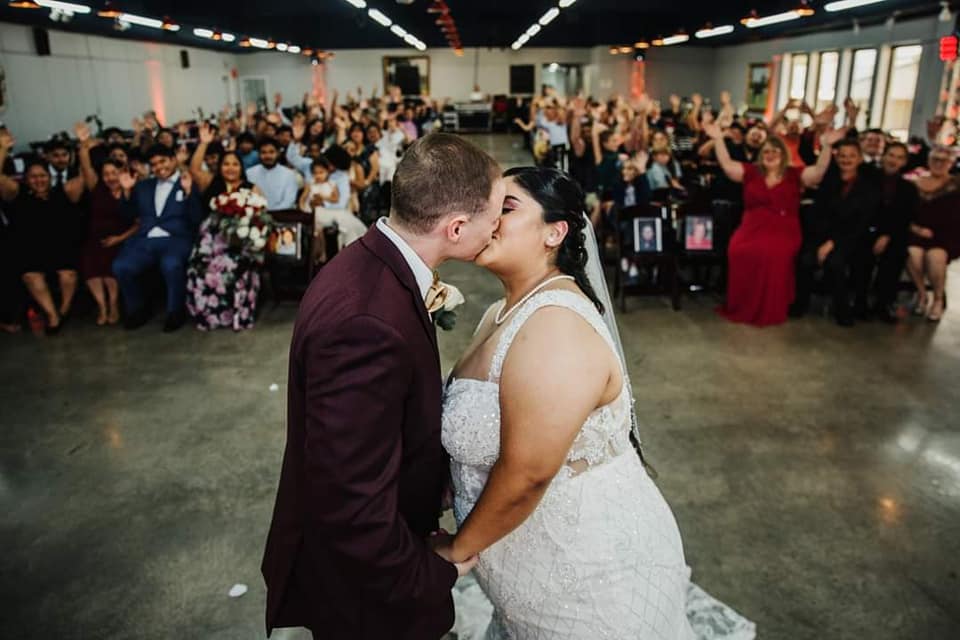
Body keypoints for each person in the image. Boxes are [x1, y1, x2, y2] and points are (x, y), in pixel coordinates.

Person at [441, 166, 755, 639]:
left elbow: (528, 474)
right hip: (526, 571)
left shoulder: (556, 326)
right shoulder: (497, 313)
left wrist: (455, 553)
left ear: (555, 232)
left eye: (506, 208)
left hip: (589, 577)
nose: (489, 220)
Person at [261, 133, 504, 640]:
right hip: (369, 596)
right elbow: (349, 501)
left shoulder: (370, 264)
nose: (499, 226)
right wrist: (429, 574)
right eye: (495, 214)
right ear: (456, 228)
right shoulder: (366, 322)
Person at [706, 121, 844, 326]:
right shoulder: (751, 172)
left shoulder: (795, 174)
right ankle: (742, 303)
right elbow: (726, 164)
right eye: (766, 151)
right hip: (751, 227)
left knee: (772, 253)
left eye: (775, 151)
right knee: (738, 250)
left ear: (783, 154)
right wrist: (718, 139)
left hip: (784, 229)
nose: (770, 155)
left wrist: (827, 146)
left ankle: (770, 306)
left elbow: (818, 172)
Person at [113, 144, 203, 332]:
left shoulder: (187, 181)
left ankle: (175, 311)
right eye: (154, 164)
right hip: (144, 240)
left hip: (176, 239)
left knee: (171, 264)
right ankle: (137, 309)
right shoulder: (143, 186)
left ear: (173, 160)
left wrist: (188, 193)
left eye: (163, 161)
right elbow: (127, 215)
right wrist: (127, 192)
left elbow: (197, 217)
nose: (159, 167)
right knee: (121, 266)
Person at [0, 135, 85, 334]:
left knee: (68, 275)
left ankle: (63, 311)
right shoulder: (18, 194)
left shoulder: (61, 193)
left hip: (60, 248)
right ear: (27, 179)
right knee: (31, 277)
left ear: (50, 177)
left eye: (43, 176)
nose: (39, 180)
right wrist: (3, 150)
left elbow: (84, 177)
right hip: (31, 251)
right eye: (34, 177)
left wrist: (82, 148)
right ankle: (52, 315)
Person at [185, 123, 265, 331]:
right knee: (201, 270)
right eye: (226, 164)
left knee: (235, 269)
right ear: (220, 167)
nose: (230, 168)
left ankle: (237, 316)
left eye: (235, 164)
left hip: (240, 243)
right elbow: (193, 169)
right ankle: (213, 317)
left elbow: (262, 216)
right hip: (211, 242)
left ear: (241, 168)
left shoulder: (251, 188)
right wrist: (203, 144)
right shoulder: (211, 183)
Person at [793, 140, 882, 326]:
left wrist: (833, 242)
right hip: (822, 235)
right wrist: (822, 240)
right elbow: (818, 213)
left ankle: (842, 310)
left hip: (851, 239)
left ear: (859, 159)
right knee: (805, 259)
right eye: (842, 156)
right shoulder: (828, 182)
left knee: (836, 262)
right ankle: (800, 304)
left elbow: (861, 223)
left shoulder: (868, 188)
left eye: (851, 156)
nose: (846, 160)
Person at [76, 124, 139, 326]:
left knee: (110, 263)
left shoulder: (130, 189)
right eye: (106, 174)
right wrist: (84, 144)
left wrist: (118, 239)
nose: (110, 178)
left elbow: (139, 223)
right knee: (91, 262)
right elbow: (85, 167)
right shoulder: (97, 188)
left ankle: (113, 304)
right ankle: (101, 306)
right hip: (95, 238)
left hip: (121, 238)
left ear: (122, 172)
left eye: (114, 173)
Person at [906, 146, 960, 322]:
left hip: (946, 235)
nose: (938, 163)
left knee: (935, 257)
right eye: (935, 159)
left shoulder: (956, 184)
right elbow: (904, 212)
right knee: (913, 253)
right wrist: (916, 229)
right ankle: (922, 294)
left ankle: (938, 299)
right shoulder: (915, 183)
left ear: (950, 163)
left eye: (943, 160)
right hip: (917, 232)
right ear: (928, 161)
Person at [866, 142, 918, 322]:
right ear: (884, 156)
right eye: (891, 155)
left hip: (893, 234)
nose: (894, 160)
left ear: (904, 162)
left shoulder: (909, 189)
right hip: (867, 230)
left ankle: (883, 303)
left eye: (899, 157)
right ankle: (860, 301)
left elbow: (904, 217)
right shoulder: (868, 178)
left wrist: (886, 235)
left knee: (895, 255)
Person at [298, 159, 367, 252]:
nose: (318, 175)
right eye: (315, 173)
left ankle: (356, 242)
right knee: (337, 218)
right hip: (315, 211)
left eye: (321, 172)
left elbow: (336, 199)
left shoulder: (331, 184)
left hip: (329, 209)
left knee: (346, 218)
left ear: (327, 172)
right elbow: (303, 198)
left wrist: (323, 198)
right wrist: (302, 209)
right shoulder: (310, 185)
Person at [246, 138, 298, 210]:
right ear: (258, 154)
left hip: (281, 216)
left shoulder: (289, 175)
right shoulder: (249, 173)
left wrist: (269, 212)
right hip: (255, 216)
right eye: (263, 152)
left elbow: (288, 202)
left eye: (271, 152)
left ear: (278, 153)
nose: (268, 156)